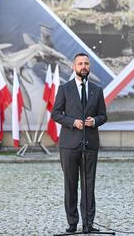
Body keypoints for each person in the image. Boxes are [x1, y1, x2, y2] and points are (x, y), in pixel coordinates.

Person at [51, 52, 107, 233]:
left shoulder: (97, 90)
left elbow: (103, 115)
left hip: (90, 145)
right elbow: (56, 114)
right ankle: (72, 224)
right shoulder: (64, 89)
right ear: (73, 67)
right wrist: (72, 122)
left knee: (89, 185)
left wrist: (95, 121)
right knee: (70, 185)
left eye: (86, 64)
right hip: (68, 145)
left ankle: (88, 225)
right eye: (80, 64)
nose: (84, 66)